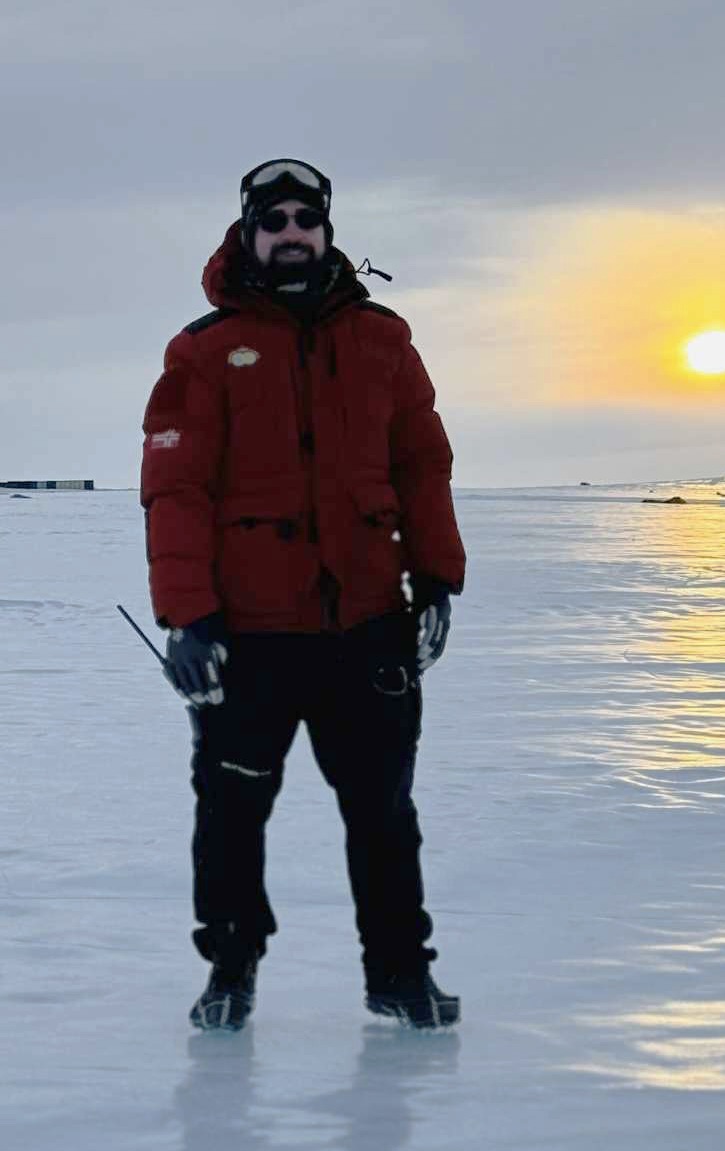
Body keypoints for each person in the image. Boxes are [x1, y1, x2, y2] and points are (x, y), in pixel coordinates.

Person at [139, 158, 466, 1030]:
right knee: (231, 814)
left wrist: (437, 576)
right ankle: (230, 971)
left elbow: (422, 465)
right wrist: (187, 618)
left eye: (305, 220)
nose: (291, 234)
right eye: (273, 221)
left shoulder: (383, 341)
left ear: (326, 232)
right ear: (248, 234)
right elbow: (175, 489)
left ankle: (400, 975)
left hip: (368, 625)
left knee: (384, 815)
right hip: (250, 636)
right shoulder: (204, 351)